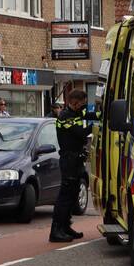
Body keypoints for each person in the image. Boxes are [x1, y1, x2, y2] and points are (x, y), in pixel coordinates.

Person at [50, 89, 99, 243]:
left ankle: (66, 227)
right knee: (65, 197)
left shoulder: (77, 113)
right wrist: (96, 127)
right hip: (69, 160)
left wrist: (103, 114)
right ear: (74, 102)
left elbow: (90, 115)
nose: (83, 107)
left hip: (76, 160)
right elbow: (81, 133)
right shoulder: (65, 117)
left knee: (73, 195)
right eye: (82, 104)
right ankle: (56, 231)